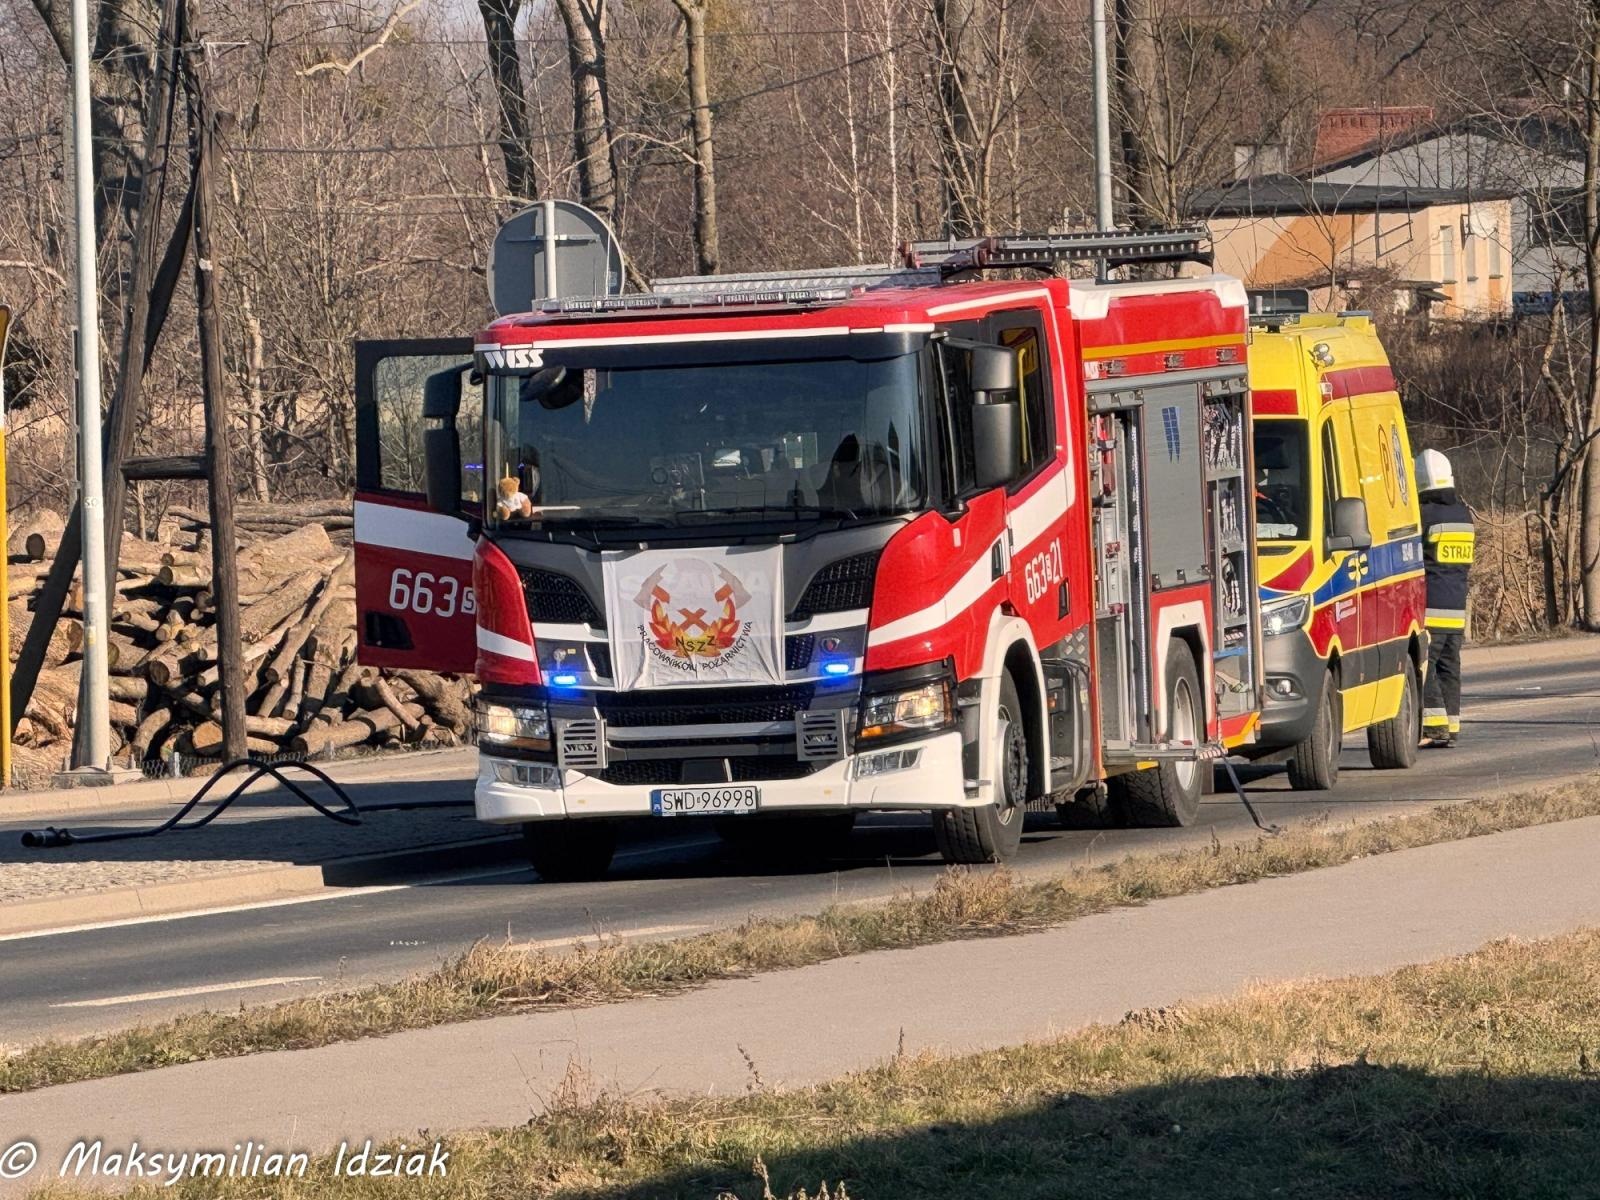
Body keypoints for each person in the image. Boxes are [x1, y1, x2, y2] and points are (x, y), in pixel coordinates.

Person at [1416, 448, 1474, 747]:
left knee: (1424, 668)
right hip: (1457, 606)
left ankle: (1434, 727)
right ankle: (1451, 727)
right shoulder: (1463, 514)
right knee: (1450, 669)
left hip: (1431, 607)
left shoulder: (1423, 517)